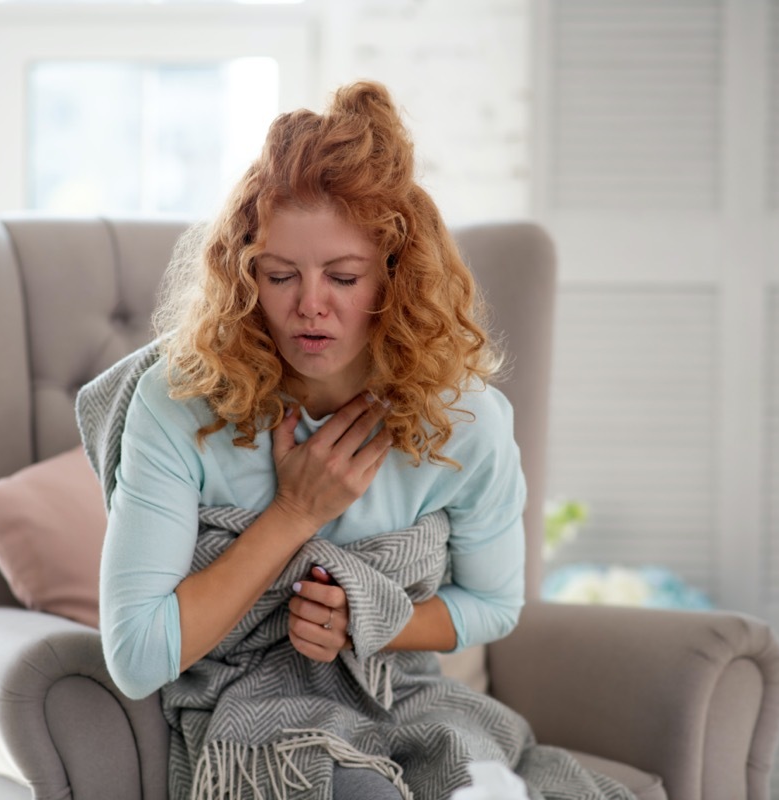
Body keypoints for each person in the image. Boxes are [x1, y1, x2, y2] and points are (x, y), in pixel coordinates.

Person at [85, 81, 546, 800]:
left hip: (401, 692)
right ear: (244, 278)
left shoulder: (464, 420)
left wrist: (366, 618)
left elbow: (494, 603)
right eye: (279, 276)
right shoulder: (180, 404)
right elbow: (138, 656)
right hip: (245, 702)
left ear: (395, 275)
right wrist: (294, 513)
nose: (310, 305)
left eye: (343, 276)